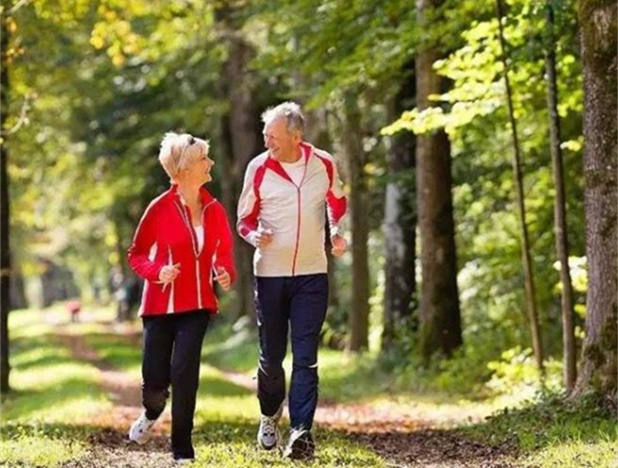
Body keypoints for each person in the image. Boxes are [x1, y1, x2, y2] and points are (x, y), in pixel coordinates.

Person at [237, 102, 347, 460]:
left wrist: (337, 231)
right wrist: (256, 236)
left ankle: (301, 431)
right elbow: (243, 220)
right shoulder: (258, 168)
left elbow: (337, 201)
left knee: (306, 356)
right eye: (266, 134)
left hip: (312, 274)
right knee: (271, 359)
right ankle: (270, 416)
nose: (267, 140)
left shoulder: (323, 163)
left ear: (296, 136)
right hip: (270, 274)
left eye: (273, 135)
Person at [126, 132, 236, 464]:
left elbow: (224, 252)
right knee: (155, 381)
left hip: (198, 304)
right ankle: (150, 412)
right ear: (186, 168)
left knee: (185, 371)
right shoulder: (159, 208)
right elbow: (136, 253)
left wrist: (224, 271)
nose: (211, 163)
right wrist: (157, 271)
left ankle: (182, 450)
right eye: (204, 158)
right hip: (159, 306)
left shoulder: (214, 210)